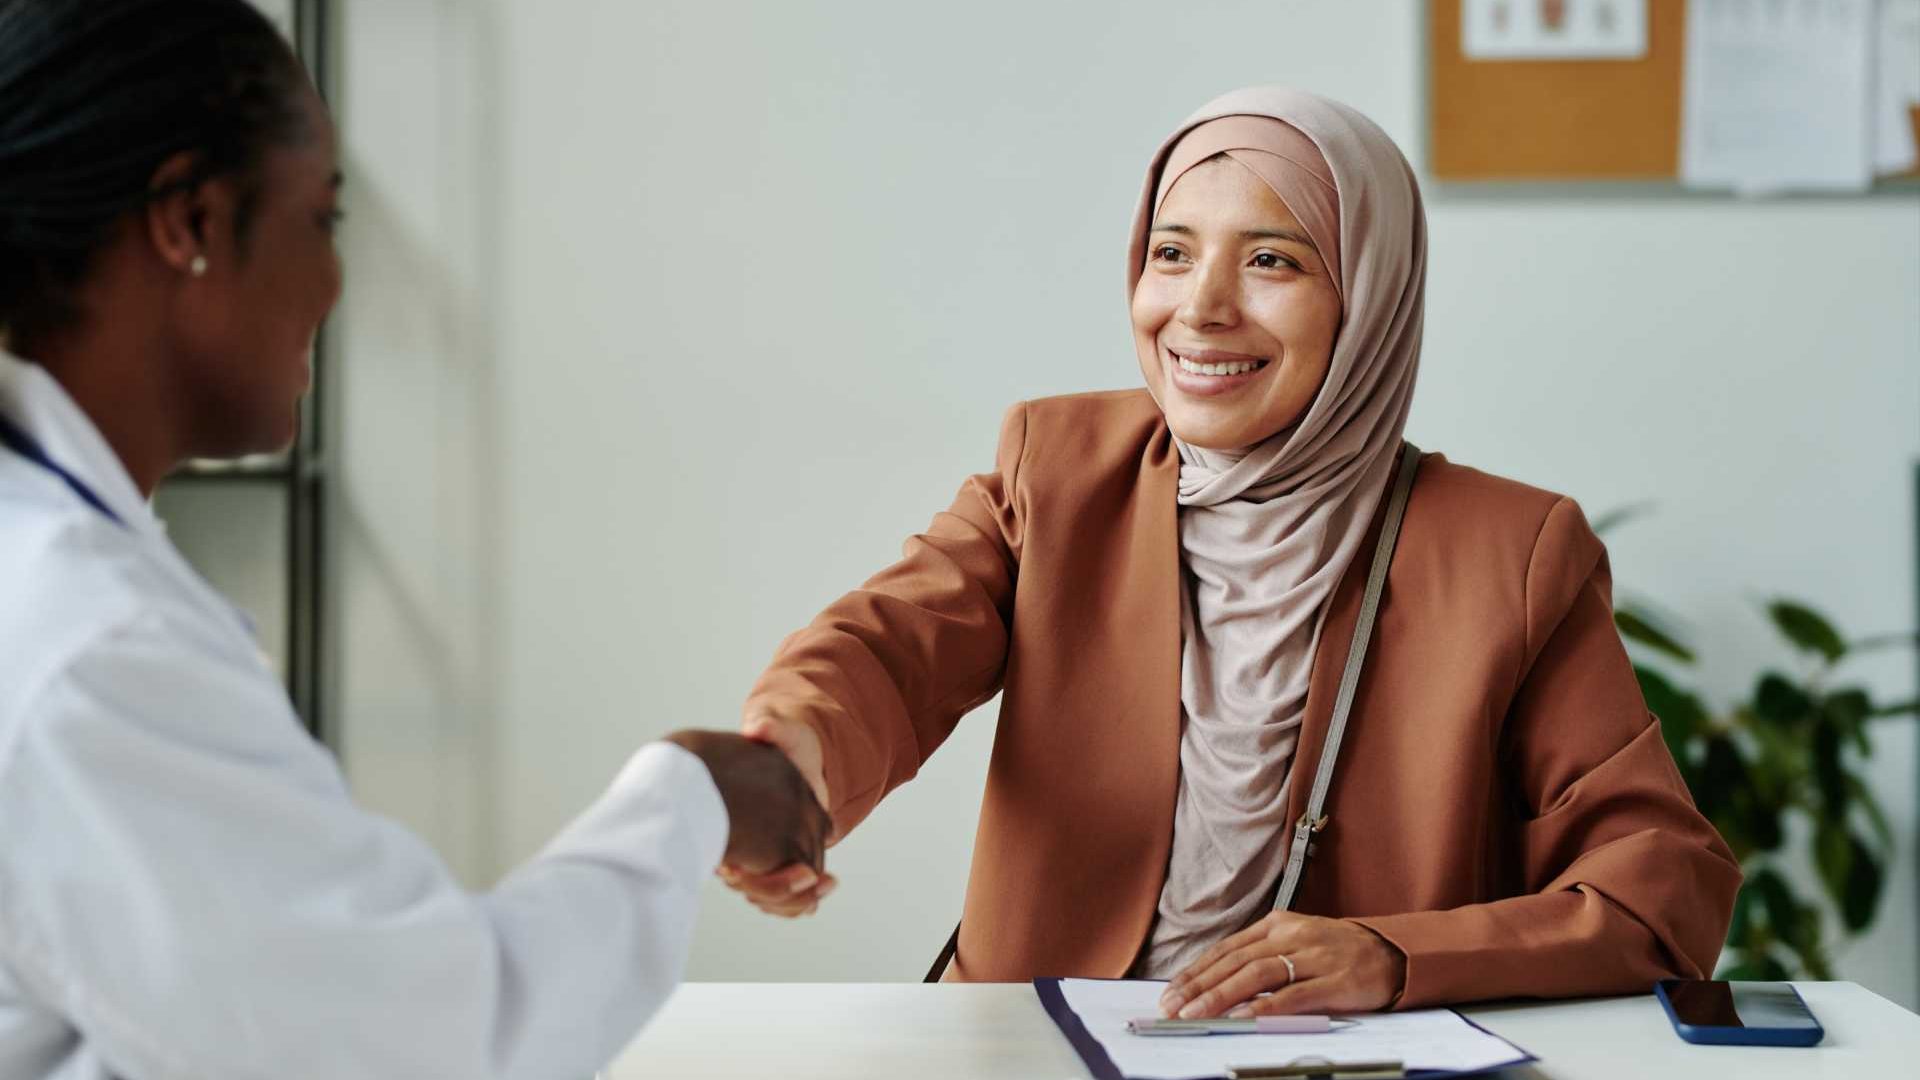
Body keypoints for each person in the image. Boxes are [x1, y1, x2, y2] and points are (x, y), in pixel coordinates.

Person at [722, 86, 1743, 1017]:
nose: (1200, 308)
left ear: (1368, 299)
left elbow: (1657, 884)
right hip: (1042, 1041)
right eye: (1172, 253)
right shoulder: (1060, 470)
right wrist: (793, 751)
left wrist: (1396, 958)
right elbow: (891, 648)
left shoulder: (1511, 552)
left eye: (1272, 260)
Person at [0, 2, 827, 1076]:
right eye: (323, 220)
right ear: (190, 220)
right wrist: (691, 797)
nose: (337, 286)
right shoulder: (95, 648)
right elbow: (430, 1044)